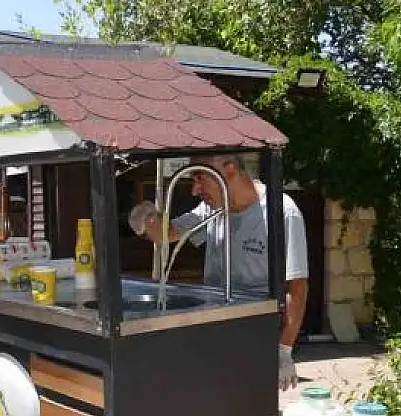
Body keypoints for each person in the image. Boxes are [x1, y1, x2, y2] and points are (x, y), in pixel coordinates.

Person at [128, 153, 309, 390]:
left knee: (249, 410)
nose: (194, 190)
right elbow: (168, 233)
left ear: (230, 168)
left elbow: (297, 288)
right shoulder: (211, 208)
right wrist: (146, 220)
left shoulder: (281, 212)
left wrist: (283, 350)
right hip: (213, 330)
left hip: (256, 334)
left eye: (200, 177)